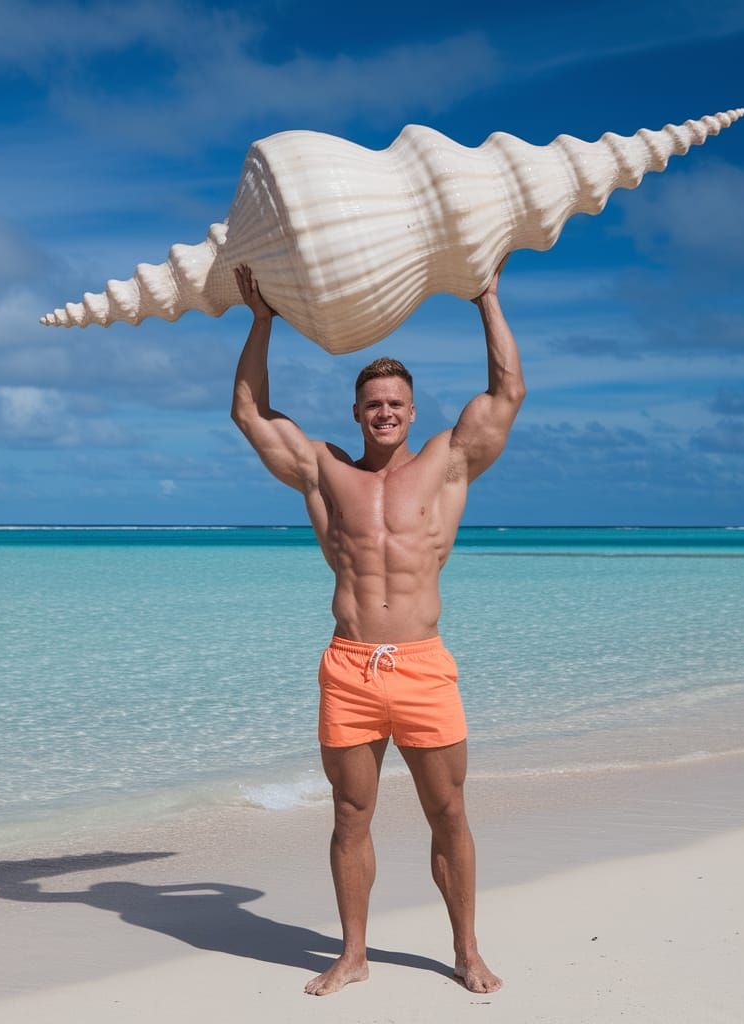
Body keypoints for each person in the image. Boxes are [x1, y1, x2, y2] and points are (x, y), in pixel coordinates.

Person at [230, 258, 524, 996]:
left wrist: (486, 297)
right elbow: (250, 415)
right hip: (351, 669)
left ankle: (465, 951)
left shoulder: (448, 464)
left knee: (449, 811)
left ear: (411, 410)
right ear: (356, 413)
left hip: (424, 666)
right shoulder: (327, 472)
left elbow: (507, 391)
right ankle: (352, 953)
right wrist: (262, 320)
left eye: (395, 403)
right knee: (350, 814)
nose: (385, 413)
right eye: (372, 405)